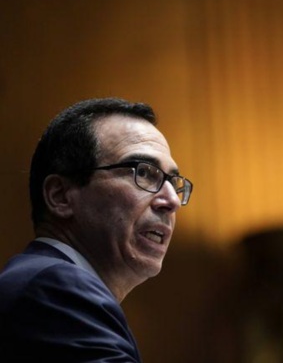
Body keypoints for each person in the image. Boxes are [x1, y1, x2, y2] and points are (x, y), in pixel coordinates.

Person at [0, 98, 193, 362]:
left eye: (174, 182)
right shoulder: (56, 288)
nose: (171, 201)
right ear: (60, 196)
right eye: (144, 173)